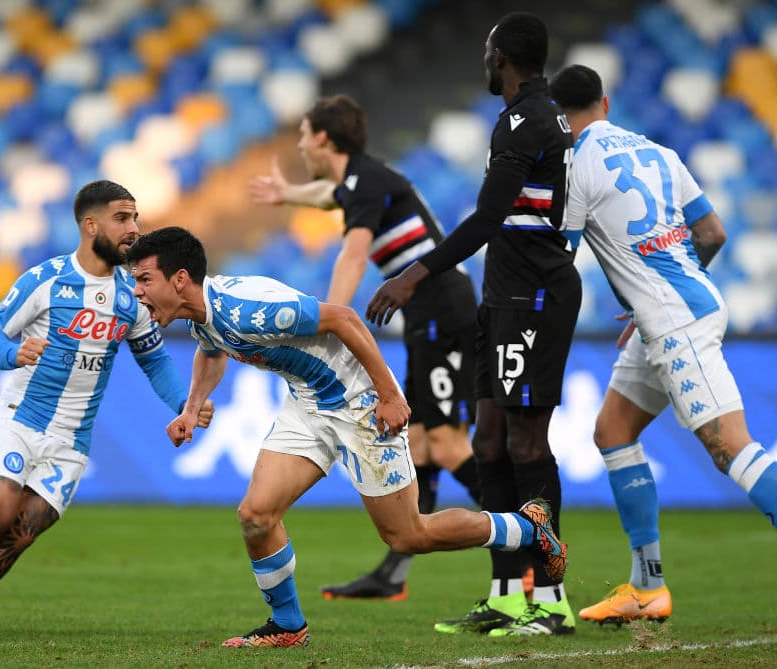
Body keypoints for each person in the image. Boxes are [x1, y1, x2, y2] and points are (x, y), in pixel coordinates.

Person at [125, 226, 567, 648]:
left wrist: (390, 396)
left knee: (408, 536)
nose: (138, 291)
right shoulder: (203, 313)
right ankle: (287, 626)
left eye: (144, 279)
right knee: (256, 515)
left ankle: (528, 527)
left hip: (358, 403)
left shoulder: (246, 310)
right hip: (308, 401)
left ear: (180, 279)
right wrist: (190, 406)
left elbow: (344, 318)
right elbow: (211, 348)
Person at [0, 180, 214, 634]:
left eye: (135, 217)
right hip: (21, 421)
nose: (134, 228)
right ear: (91, 225)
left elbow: (155, 362)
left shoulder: (133, 297)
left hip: (71, 444)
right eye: (122, 218)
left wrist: (187, 406)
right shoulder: (46, 280)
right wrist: (15, 353)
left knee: (19, 536)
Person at [367, 12, 579, 636]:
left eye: (489, 54)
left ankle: (551, 600)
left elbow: (488, 218)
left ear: (503, 59)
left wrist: (413, 275)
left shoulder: (524, 119)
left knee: (527, 444)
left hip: (533, 298)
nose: (486, 63)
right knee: (487, 442)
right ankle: (509, 594)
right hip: (504, 296)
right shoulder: (541, 118)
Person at [549, 64, 777, 625]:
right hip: (676, 309)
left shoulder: (575, 164)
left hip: (675, 321)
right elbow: (713, 232)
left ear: (560, 115)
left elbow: (561, 257)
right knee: (613, 431)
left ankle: (649, 587)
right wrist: (658, 291)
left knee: (730, 448)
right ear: (605, 102)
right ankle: (647, 587)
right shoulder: (660, 153)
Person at [249, 94, 482, 601]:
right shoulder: (360, 182)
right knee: (418, 444)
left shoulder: (366, 183)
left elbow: (354, 254)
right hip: (429, 313)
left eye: (305, 135)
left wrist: (327, 317)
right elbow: (329, 195)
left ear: (325, 139)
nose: (301, 144)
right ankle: (394, 574)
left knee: (442, 442)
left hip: (445, 310)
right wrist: (289, 194)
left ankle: (526, 536)